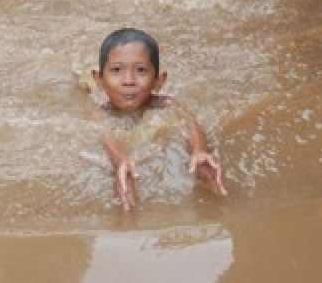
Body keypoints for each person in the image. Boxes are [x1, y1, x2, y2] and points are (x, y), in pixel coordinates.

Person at [92, 28, 226, 211]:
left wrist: (199, 150)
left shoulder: (167, 104)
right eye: (116, 70)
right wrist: (122, 161)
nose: (129, 80)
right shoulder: (101, 113)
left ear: (159, 81)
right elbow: (109, 139)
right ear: (99, 80)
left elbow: (191, 127)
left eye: (140, 70)